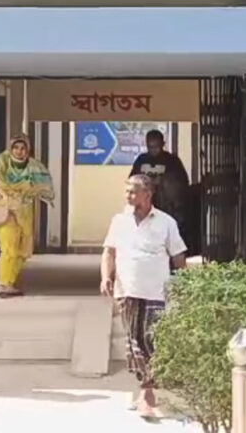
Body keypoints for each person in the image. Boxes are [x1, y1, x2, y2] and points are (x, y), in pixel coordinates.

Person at [100, 174, 187, 418]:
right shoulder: (119, 221)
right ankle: (146, 390)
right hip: (126, 291)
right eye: (126, 191)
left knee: (149, 340)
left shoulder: (166, 222)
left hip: (155, 292)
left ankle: (147, 392)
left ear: (148, 195)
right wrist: (106, 277)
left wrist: (186, 285)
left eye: (133, 192)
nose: (128, 196)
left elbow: (178, 257)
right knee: (133, 341)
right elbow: (109, 253)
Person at [0, 134, 55, 298]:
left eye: (23, 148)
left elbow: (45, 187)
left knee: (23, 250)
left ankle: (9, 282)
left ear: (28, 149)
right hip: (4, 210)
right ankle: (3, 284)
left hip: (24, 212)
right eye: (15, 147)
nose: (19, 151)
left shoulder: (34, 167)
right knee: (9, 247)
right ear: (10, 149)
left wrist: (34, 192)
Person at [129, 129, 190, 239]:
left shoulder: (172, 160)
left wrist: (163, 181)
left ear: (162, 144)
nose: (153, 150)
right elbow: (132, 179)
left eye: (156, 147)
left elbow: (182, 182)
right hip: (145, 207)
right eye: (150, 147)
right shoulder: (141, 160)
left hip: (167, 208)